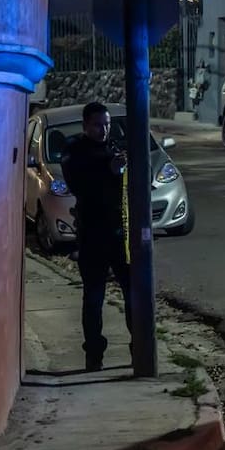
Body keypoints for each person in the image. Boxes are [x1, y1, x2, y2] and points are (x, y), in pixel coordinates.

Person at [60, 102, 130, 371]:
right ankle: (94, 354)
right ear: (85, 126)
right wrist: (108, 170)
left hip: (119, 233)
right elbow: (79, 183)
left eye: (107, 124)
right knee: (94, 298)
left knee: (132, 292)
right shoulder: (75, 150)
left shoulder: (113, 147)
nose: (104, 130)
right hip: (92, 235)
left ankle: (140, 347)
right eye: (98, 125)